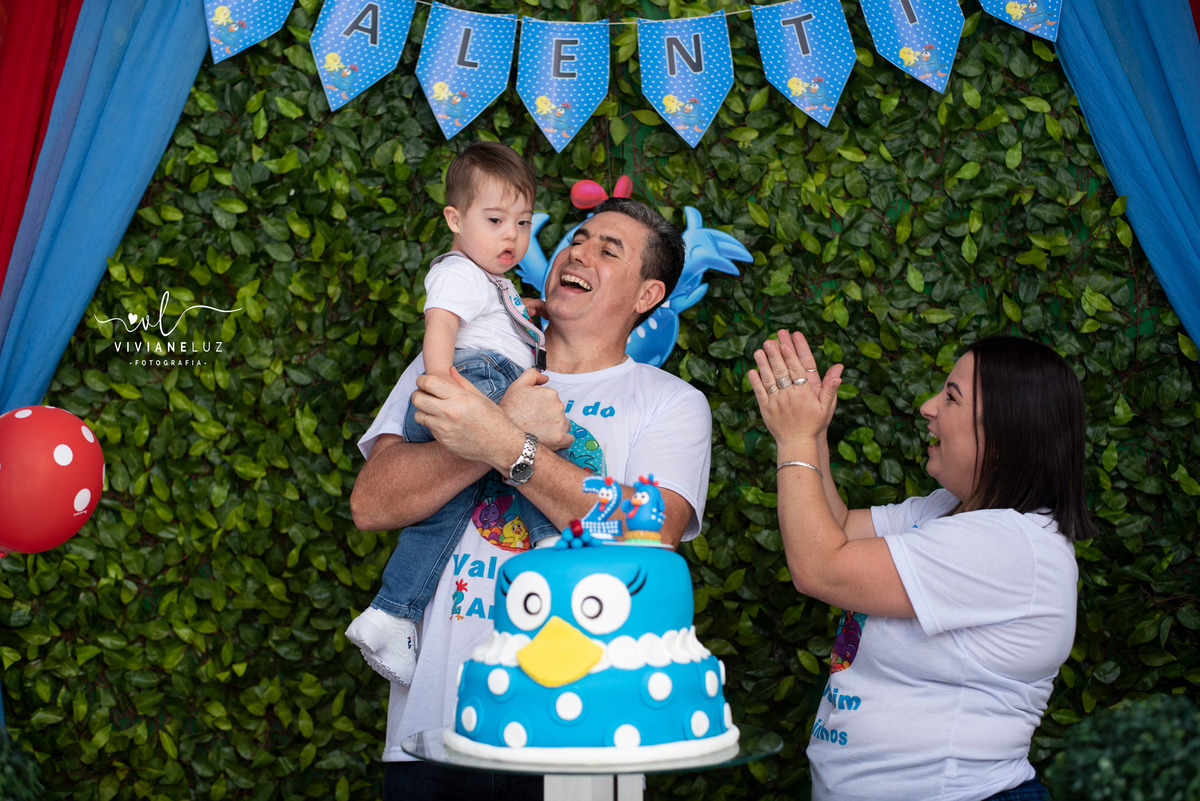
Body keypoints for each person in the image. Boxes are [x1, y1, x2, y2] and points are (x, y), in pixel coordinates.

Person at [351, 197, 713, 801]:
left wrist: (506, 444)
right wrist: (486, 437)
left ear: (647, 296)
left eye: (608, 249)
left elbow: (654, 527)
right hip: (430, 735)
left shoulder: (669, 402)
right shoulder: (460, 358)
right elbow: (372, 503)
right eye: (580, 235)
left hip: (579, 747)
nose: (580, 251)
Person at [749, 330, 1094, 801]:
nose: (928, 406)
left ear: (1003, 433)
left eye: (950, 397)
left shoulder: (1010, 546)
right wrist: (812, 438)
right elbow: (840, 529)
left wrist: (794, 441)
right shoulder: (946, 510)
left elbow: (820, 567)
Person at [345, 142, 560, 687]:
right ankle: (552, 537)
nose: (511, 235)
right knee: (529, 452)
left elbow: (495, 318)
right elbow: (440, 325)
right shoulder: (459, 272)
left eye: (522, 222)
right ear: (455, 219)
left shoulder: (493, 281)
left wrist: (527, 314)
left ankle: (392, 612)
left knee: (444, 513)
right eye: (494, 220)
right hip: (473, 381)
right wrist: (445, 386)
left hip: (481, 377)